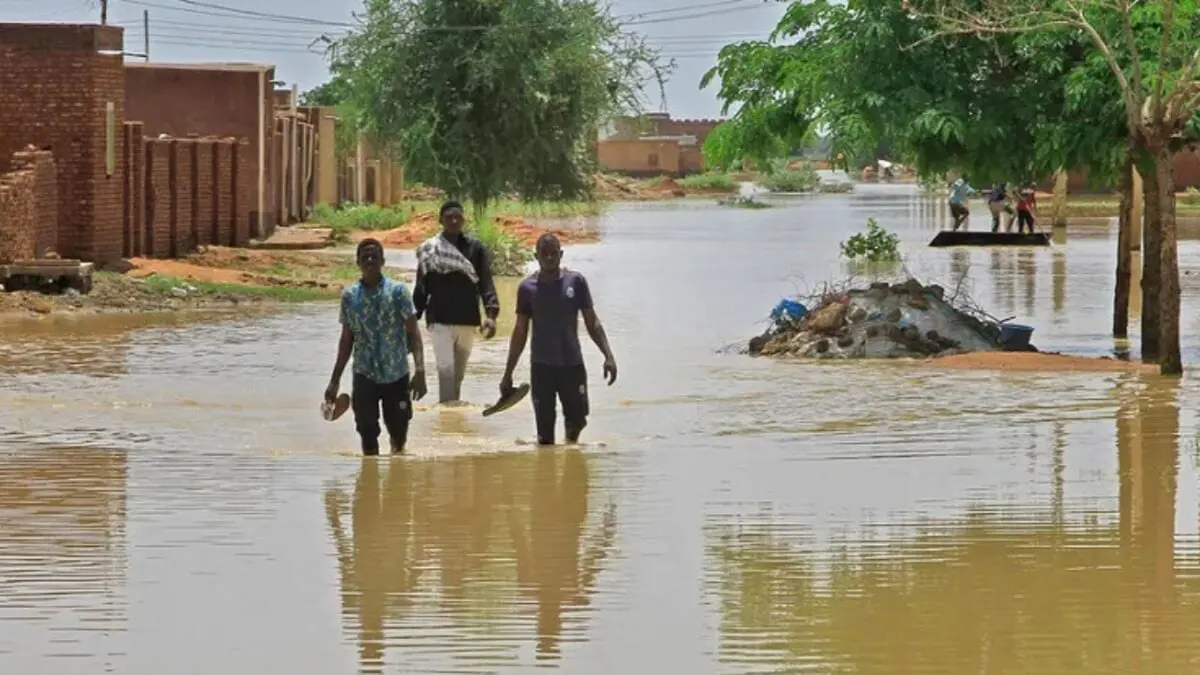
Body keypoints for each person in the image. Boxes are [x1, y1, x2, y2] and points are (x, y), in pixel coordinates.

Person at [500, 233, 617, 446]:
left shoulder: (576, 282)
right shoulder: (527, 288)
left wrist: (608, 355)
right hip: (542, 367)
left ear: (561, 254)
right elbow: (520, 332)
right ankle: (547, 470)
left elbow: (593, 322)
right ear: (536, 256)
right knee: (545, 435)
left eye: (554, 253)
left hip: (572, 365)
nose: (549, 258)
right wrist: (508, 374)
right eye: (544, 254)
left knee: (578, 422)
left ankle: (571, 456)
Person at [326, 238, 427, 456]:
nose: (370, 260)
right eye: (365, 257)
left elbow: (414, 333)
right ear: (357, 262)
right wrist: (334, 381)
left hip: (396, 374)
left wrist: (420, 371)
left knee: (398, 439)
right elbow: (346, 341)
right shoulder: (350, 296)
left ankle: (396, 483)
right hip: (364, 374)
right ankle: (369, 482)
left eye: (374, 256)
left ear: (383, 261)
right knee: (367, 436)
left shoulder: (398, 292)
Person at [413, 201, 500, 404]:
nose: (454, 221)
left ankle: (451, 419)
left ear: (463, 220)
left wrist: (491, 315)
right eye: (449, 217)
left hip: (467, 320)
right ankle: (448, 418)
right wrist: (412, 318)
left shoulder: (475, 248)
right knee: (446, 374)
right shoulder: (430, 250)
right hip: (439, 321)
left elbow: (486, 282)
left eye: (458, 217)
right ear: (440, 221)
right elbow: (421, 287)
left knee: (457, 377)